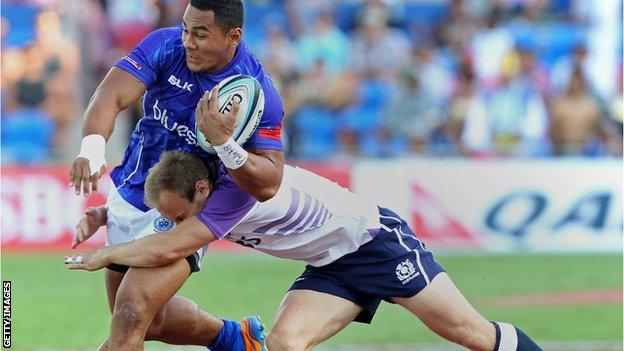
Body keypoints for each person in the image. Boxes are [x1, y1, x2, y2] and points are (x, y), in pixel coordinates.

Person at [67, 151, 544, 351]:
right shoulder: (201, 192)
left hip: (376, 245)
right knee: (283, 343)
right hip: (331, 268)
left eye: (179, 214)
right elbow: (169, 227)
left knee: (473, 335)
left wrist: (105, 255)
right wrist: (107, 217)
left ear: (200, 190)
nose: (175, 222)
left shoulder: (236, 194)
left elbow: (166, 245)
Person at [68, 0, 285, 350]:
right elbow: (111, 92)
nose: (187, 41)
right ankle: (235, 338)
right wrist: (92, 148)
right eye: (186, 28)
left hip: (185, 212)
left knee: (131, 312)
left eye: (200, 34)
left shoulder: (256, 91)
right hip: (131, 193)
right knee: (151, 322)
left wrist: (225, 143)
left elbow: (270, 181)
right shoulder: (165, 45)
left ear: (233, 36)